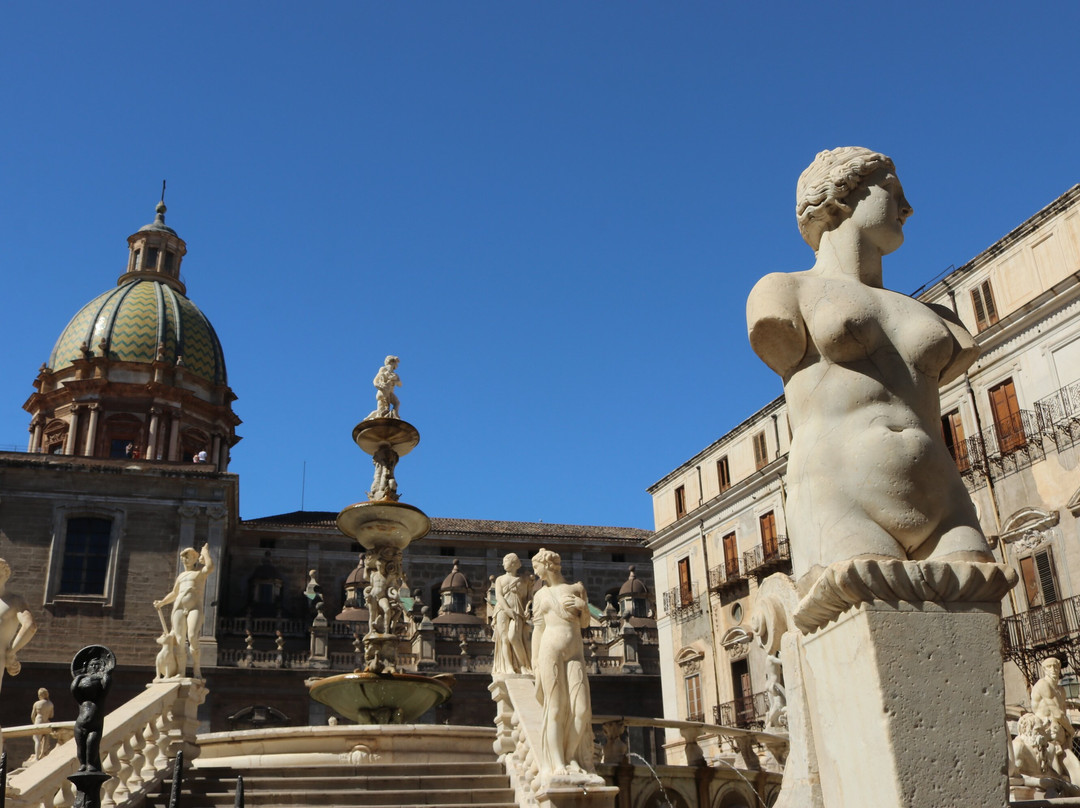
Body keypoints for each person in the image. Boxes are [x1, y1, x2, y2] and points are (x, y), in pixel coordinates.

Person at [746, 147, 994, 592]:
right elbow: (773, 334)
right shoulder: (782, 291)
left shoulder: (938, 316)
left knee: (979, 604)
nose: (907, 206)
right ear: (839, 197)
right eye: (891, 188)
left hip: (945, 501)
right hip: (841, 499)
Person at [530, 548, 597, 780]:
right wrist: (535, 663)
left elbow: (586, 624)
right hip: (550, 651)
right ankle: (557, 763)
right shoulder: (540, 596)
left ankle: (571, 758)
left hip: (575, 653)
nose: (535, 573)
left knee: (581, 710)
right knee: (556, 708)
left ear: (546, 566)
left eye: (536, 568)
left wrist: (584, 606)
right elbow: (537, 630)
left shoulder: (577, 589)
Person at [153, 544, 214, 678]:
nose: (185, 560)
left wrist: (205, 552)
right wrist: (163, 602)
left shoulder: (199, 573)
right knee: (180, 641)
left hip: (194, 608)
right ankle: (181, 672)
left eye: (188, 557)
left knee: (192, 636)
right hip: (178, 607)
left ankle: (196, 668)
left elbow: (210, 567)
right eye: (183, 557)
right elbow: (174, 593)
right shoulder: (180, 577)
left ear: (194, 559)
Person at [71, 647, 114, 773]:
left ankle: (90, 765)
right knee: (81, 748)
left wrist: (106, 673)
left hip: (95, 726)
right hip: (80, 725)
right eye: (92, 665)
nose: (94, 667)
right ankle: (83, 764)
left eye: (97, 665)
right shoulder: (82, 701)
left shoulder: (100, 698)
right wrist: (80, 676)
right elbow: (73, 689)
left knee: (92, 747)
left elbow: (106, 685)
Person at [0, 559, 37, 699]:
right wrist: (11, 653)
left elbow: (30, 625)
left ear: (6, 575)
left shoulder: (14, 601)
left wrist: (11, 652)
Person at [492, 553, 531, 675]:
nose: (503, 563)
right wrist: (507, 609)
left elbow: (529, 597)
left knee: (514, 636)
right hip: (502, 610)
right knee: (504, 639)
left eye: (506, 561)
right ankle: (508, 667)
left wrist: (528, 608)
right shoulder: (500, 579)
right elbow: (498, 595)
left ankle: (523, 665)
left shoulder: (524, 580)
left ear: (514, 563)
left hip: (518, 610)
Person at [31, 687, 54, 760]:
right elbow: (51, 715)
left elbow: (32, 715)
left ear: (40, 695)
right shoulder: (50, 704)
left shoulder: (37, 703)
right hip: (46, 722)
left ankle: (37, 758)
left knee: (37, 739)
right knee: (45, 740)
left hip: (39, 721)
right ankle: (43, 755)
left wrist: (34, 723)